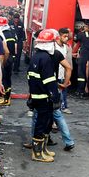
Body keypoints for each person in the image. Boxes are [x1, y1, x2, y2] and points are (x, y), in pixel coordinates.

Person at [28, 29, 60, 162]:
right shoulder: (46, 58)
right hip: (43, 97)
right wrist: (55, 96)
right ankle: (37, 154)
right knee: (42, 124)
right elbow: (49, 80)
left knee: (43, 123)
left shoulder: (36, 56)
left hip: (36, 95)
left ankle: (42, 149)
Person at [0, 17, 16, 107]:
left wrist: (2, 62)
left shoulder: (1, 36)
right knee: (7, 78)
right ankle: (7, 98)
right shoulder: (10, 33)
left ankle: (4, 98)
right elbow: (13, 48)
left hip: (4, 59)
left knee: (3, 79)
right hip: (10, 58)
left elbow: (6, 51)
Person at [73, 21, 89, 95]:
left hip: (84, 56)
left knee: (81, 73)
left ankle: (80, 90)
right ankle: (87, 89)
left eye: (85, 26)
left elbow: (76, 38)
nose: (84, 27)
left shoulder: (82, 34)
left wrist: (81, 31)